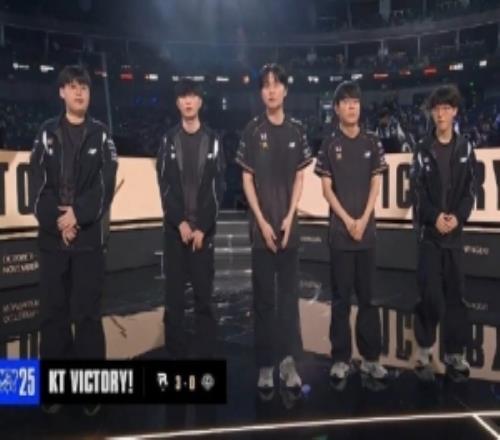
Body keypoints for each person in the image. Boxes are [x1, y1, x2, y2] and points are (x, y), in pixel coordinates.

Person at [29, 65, 118, 415]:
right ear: (61, 92)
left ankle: (91, 389)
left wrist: (77, 215)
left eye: (84, 87)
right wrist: (59, 222)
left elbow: (105, 185)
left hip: (88, 241)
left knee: (87, 317)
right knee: (53, 315)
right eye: (72, 86)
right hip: (53, 241)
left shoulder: (102, 134)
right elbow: (37, 186)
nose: (79, 92)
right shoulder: (45, 133)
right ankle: (54, 387)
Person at [236, 64, 313, 390]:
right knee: (264, 300)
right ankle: (266, 364)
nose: (271, 90)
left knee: (289, 300)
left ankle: (288, 362)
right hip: (261, 231)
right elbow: (247, 179)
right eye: (265, 85)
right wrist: (262, 221)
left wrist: (290, 215)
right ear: (261, 93)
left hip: (289, 228)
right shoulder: (252, 130)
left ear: (285, 90)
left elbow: (300, 177)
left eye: (276, 84)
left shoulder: (297, 130)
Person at [315, 81, 389, 385]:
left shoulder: (373, 142)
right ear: (336, 108)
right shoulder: (329, 144)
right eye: (346, 102)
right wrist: (348, 220)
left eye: (355, 102)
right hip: (340, 235)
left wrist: (364, 218)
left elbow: (376, 184)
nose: (351, 107)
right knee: (340, 300)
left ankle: (371, 359)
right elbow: (326, 189)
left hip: (367, 235)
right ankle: (341, 358)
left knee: (369, 299)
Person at [411, 85, 476, 382]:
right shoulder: (422, 148)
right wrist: (434, 216)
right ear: (432, 113)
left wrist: (457, 218)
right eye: (437, 108)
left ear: (455, 112)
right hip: (430, 235)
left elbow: (470, 192)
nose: (441, 113)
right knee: (430, 295)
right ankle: (424, 348)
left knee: (456, 297)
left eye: (446, 108)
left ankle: (455, 353)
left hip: (454, 235)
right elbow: (417, 191)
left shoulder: (466, 148)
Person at [156, 78, 224, 359]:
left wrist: (201, 228)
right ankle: (175, 354)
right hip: (175, 233)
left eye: (192, 96)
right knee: (173, 299)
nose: (188, 101)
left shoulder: (213, 140)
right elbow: (164, 186)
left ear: (200, 102)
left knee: (203, 298)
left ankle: (205, 353)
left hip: (202, 235)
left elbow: (218, 188)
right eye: (183, 96)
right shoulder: (168, 140)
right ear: (177, 103)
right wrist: (181, 222)